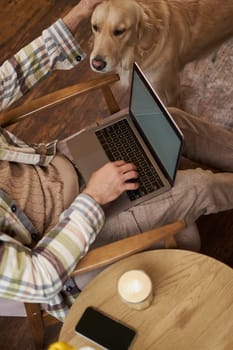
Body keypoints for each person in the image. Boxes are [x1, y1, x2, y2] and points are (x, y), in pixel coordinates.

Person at [0, 0, 233, 322]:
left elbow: (11, 76)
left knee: (172, 120)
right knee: (200, 187)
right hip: (72, 227)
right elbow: (39, 279)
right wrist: (93, 197)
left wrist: (81, 12)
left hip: (61, 162)